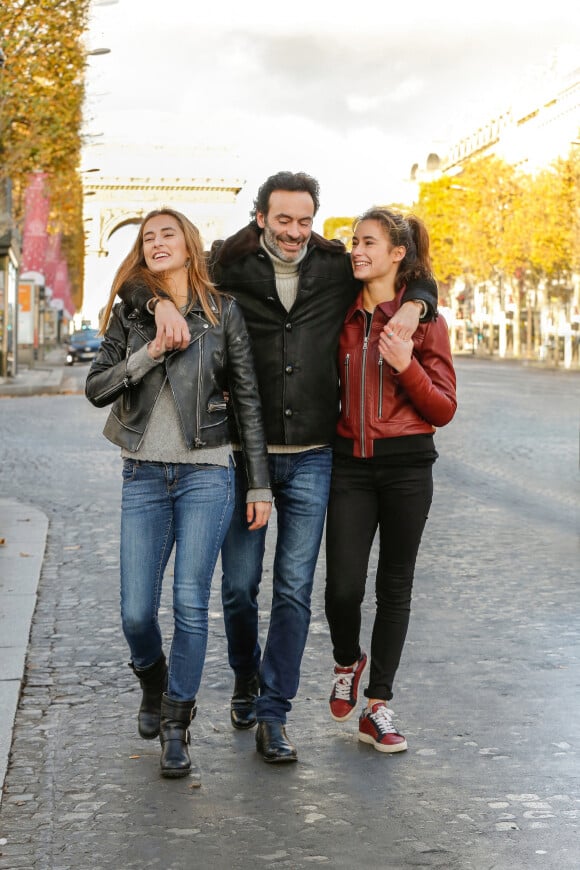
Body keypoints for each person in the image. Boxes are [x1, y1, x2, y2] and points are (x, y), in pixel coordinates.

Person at [117, 172, 438, 763]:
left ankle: (273, 712)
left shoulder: (338, 267)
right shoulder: (227, 266)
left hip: (316, 454)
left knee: (292, 591)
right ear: (260, 217)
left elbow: (409, 268)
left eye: (305, 220)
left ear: (314, 220)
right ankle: (244, 678)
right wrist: (157, 299)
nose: (295, 231)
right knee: (238, 588)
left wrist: (418, 306)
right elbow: (150, 270)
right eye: (283, 219)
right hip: (244, 454)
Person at [85, 208, 271, 779]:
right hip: (142, 475)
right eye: (148, 237)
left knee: (191, 601)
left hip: (208, 472)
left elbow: (247, 400)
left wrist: (258, 481)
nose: (158, 242)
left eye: (168, 233)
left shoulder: (224, 313)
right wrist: (150, 353)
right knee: (136, 612)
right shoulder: (130, 313)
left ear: (189, 245)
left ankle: (176, 722)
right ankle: (154, 680)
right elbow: (97, 388)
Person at [324, 207, 457, 753]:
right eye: (353, 241)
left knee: (394, 586)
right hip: (350, 464)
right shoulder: (341, 311)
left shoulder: (426, 321)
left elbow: (444, 408)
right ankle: (346, 660)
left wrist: (406, 364)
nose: (356, 250)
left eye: (368, 242)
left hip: (407, 466)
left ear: (397, 253)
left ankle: (378, 705)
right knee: (342, 588)